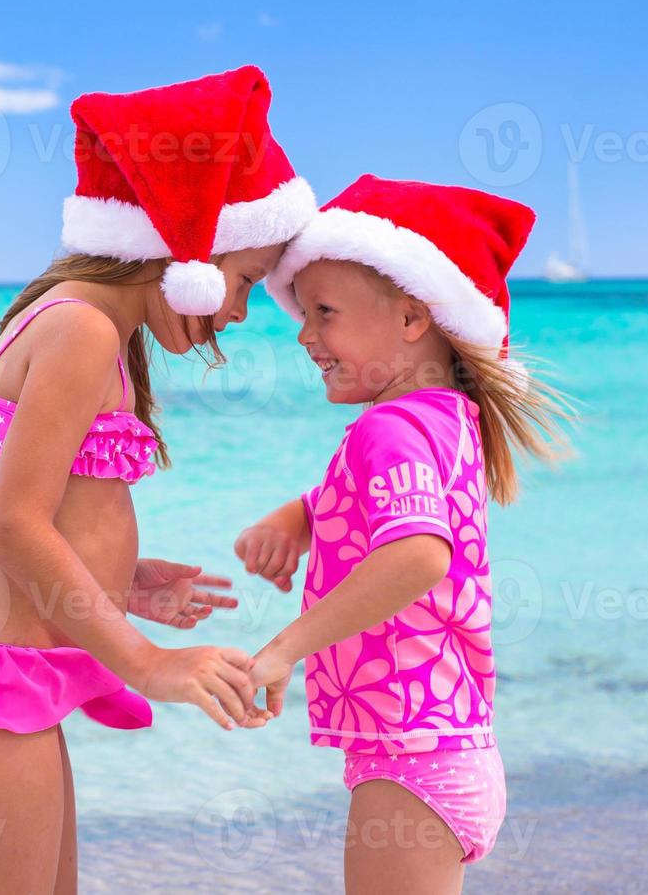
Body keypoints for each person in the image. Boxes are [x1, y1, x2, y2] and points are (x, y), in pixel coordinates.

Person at [0, 66, 316, 894]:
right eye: (249, 279)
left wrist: (113, 575)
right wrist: (150, 663)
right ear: (185, 248)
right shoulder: (82, 330)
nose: (241, 311)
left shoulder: (62, 320)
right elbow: (11, 527)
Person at [237, 175, 572, 894]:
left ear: (414, 316)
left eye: (324, 311)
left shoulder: (389, 427)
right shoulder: (447, 419)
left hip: (411, 757)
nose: (304, 333)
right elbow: (398, 503)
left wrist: (282, 652)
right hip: (446, 743)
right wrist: (299, 518)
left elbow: (418, 553)